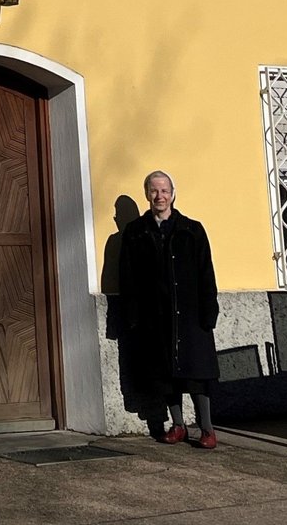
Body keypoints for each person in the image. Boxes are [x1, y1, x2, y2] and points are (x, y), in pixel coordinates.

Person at [119, 170, 220, 448]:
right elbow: (128, 278)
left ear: (173, 194)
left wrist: (209, 313)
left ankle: (207, 429)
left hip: (191, 314)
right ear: (147, 195)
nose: (159, 196)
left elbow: (206, 273)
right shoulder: (136, 233)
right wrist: (131, 317)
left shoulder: (192, 229)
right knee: (167, 375)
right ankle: (177, 426)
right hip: (156, 316)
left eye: (164, 191)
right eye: (154, 191)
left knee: (198, 374)